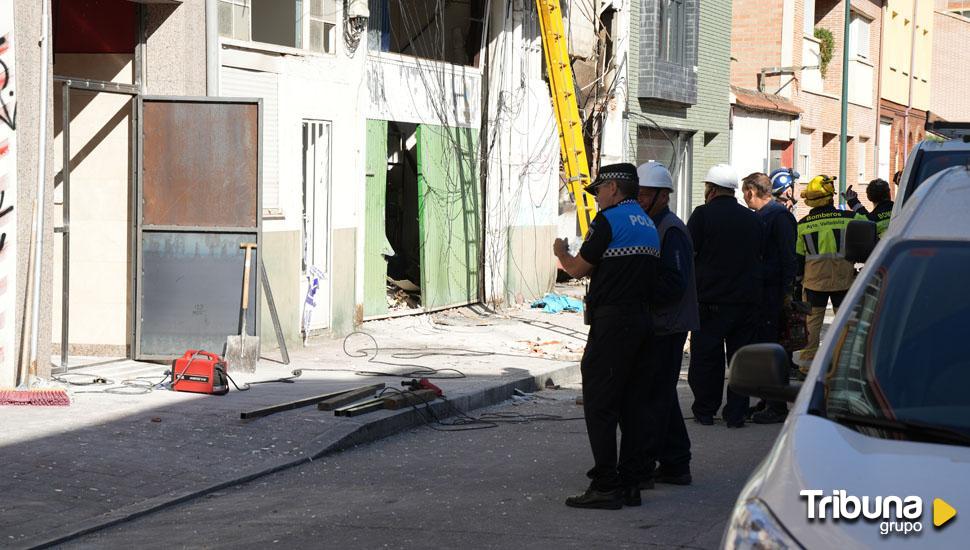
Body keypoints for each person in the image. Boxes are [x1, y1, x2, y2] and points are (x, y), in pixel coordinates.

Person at [553, 163, 661, 510]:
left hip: (613, 325)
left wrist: (560, 252)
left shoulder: (608, 221)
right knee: (632, 405)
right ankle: (630, 483)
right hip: (643, 322)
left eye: (599, 190)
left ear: (613, 188)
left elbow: (577, 268)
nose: (597, 197)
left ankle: (605, 485)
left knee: (600, 404)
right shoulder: (647, 223)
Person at [635, 162, 698, 486]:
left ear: (663, 195)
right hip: (659, 323)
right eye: (639, 193)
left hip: (668, 325)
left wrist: (638, 291)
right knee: (661, 394)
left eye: (646, 194)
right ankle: (676, 461)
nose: (641, 199)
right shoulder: (651, 224)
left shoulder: (669, 229)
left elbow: (674, 282)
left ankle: (647, 463)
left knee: (655, 395)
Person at [686, 164, 764, 428]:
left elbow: (688, 253)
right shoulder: (753, 219)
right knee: (740, 359)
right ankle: (736, 413)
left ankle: (705, 410)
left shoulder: (702, 215)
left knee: (707, 359)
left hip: (711, 301)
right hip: (746, 301)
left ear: (711, 189)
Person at [741, 172, 797, 424]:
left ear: (751, 192)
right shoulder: (763, 216)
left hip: (772, 293)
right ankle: (767, 400)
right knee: (764, 347)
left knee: (773, 348)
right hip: (761, 292)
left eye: (744, 192)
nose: (744, 197)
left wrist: (786, 292)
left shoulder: (779, 216)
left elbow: (787, 257)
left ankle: (777, 406)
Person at [794, 175, 867, 370]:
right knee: (846, 324)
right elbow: (870, 223)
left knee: (812, 326)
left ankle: (807, 368)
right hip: (844, 281)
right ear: (832, 196)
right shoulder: (850, 219)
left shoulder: (802, 225)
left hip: (813, 284)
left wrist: (797, 281)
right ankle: (845, 365)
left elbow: (798, 258)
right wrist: (854, 202)